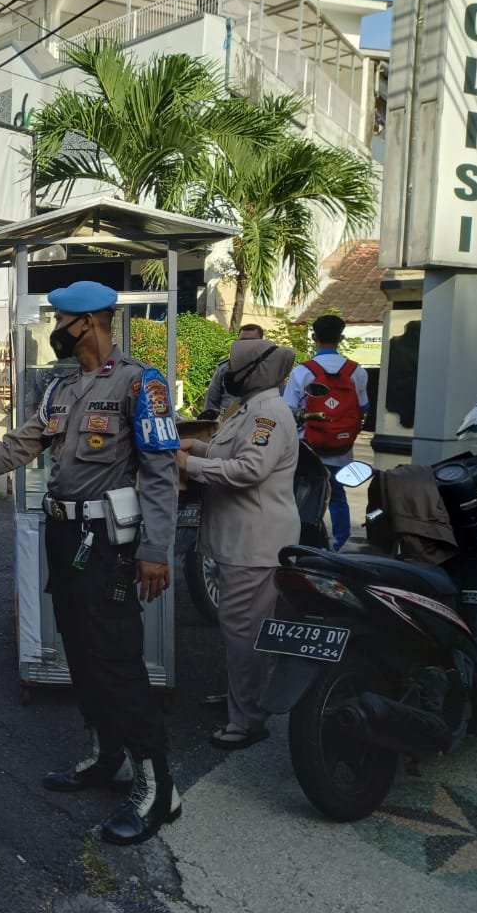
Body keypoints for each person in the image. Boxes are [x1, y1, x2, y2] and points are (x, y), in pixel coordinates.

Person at [0, 280, 180, 846]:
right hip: (64, 538)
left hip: (109, 543)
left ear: (86, 323)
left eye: (59, 320)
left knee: (117, 659)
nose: (54, 330)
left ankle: (158, 786)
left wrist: (156, 551)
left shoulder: (142, 383)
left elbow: (161, 471)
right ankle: (107, 755)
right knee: (82, 653)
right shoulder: (61, 390)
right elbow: (16, 448)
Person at [178, 340, 299, 750]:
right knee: (242, 631)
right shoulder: (249, 410)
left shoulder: (268, 415)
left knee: (244, 633)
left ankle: (247, 721)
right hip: (242, 540)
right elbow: (233, 453)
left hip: (255, 543)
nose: (226, 372)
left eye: (233, 366)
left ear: (255, 372)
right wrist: (199, 447)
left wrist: (189, 464)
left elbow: (250, 469)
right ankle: (244, 701)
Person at [282, 314, 369, 550]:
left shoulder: (303, 371)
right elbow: (362, 407)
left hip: (308, 447)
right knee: (338, 496)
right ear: (341, 338)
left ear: (314, 337)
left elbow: (289, 409)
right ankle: (339, 543)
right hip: (342, 447)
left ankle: (303, 542)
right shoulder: (356, 372)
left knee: (302, 494)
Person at [200, 324, 265, 418]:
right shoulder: (224, 368)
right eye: (243, 341)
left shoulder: (269, 369)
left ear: (261, 342)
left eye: (251, 340)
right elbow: (211, 402)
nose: (246, 344)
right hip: (227, 423)